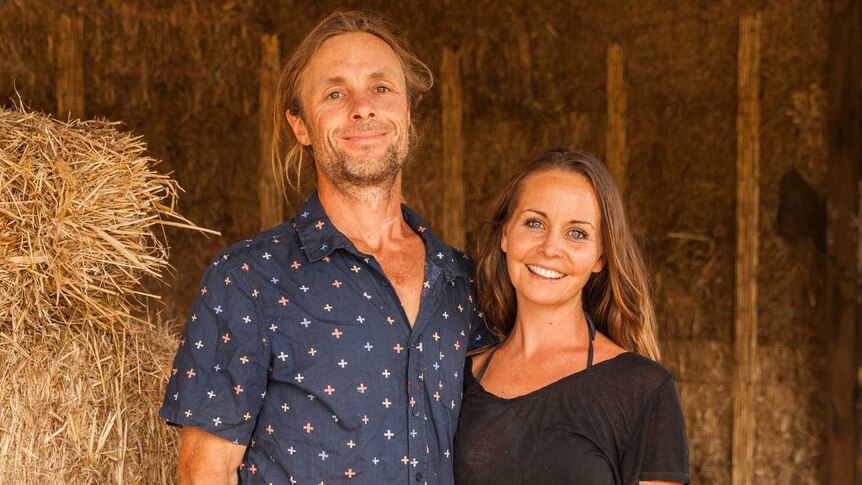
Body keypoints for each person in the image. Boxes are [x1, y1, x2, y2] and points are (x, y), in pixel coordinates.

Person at [160, 11, 488, 485]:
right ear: (301, 126)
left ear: (408, 109)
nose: (363, 107)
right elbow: (205, 473)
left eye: (381, 88)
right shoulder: (249, 279)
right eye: (335, 94)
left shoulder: (468, 281)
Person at [453, 150, 690, 484]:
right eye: (534, 223)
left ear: (600, 257)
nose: (550, 248)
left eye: (577, 233)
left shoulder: (642, 390)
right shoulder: (457, 378)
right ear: (506, 234)